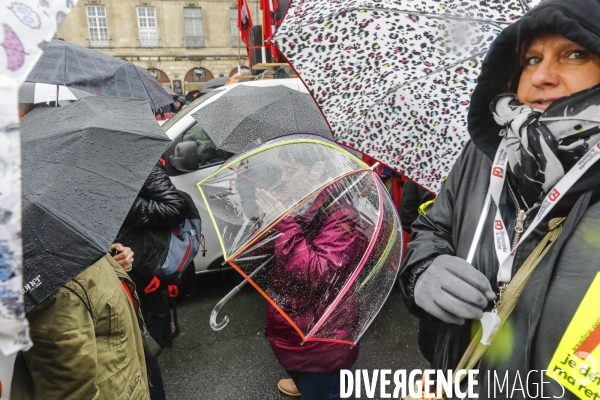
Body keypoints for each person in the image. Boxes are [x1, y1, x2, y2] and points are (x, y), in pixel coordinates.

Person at [399, 0, 600, 396]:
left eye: (575, 53)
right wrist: (423, 268)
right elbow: (433, 225)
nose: (541, 75)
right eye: (530, 59)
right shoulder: (484, 152)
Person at [256, 147, 368, 400]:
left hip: (324, 337)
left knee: (324, 390)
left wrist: (282, 223)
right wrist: (265, 225)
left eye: (291, 171)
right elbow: (265, 253)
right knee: (306, 381)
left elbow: (320, 274)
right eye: (283, 169)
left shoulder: (342, 216)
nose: (283, 178)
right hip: (293, 325)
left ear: (317, 170)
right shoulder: (293, 197)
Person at [18, 245, 150, 400]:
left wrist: (112, 261)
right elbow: (72, 391)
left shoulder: (68, 244)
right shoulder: (54, 289)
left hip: (128, 380)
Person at [115, 158, 186, 400]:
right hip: (106, 282)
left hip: (143, 279)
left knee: (143, 356)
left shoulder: (136, 161)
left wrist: (119, 199)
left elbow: (174, 209)